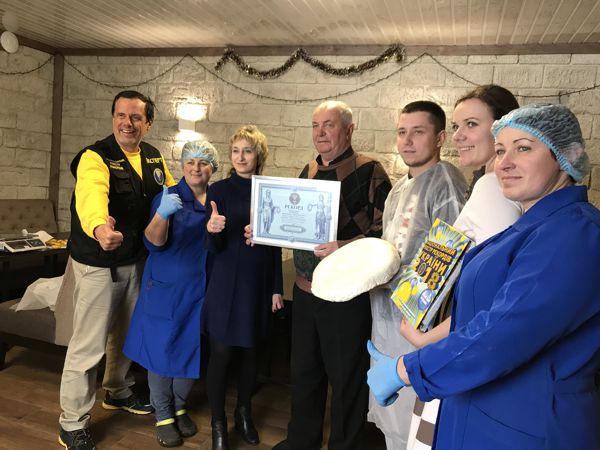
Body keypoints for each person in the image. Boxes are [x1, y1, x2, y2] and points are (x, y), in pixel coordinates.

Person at [367, 103, 600, 450]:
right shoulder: (531, 227)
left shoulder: (573, 233)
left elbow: (505, 332)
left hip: (529, 420)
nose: (504, 163)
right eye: (501, 150)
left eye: (523, 148)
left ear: (568, 155)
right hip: (485, 407)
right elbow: (483, 311)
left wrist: (406, 369)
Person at [402, 85, 523, 450]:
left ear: (503, 127)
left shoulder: (494, 188)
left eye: (471, 124)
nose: (458, 136)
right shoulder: (487, 184)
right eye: (456, 126)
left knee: (435, 436)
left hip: (458, 342)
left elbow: (492, 297)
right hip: (457, 337)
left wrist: (426, 339)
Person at [59, 90, 175, 450]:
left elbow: (174, 192)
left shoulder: (153, 156)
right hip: (99, 265)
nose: (128, 123)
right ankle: (72, 422)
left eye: (136, 117)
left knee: (126, 336)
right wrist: (99, 228)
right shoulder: (95, 157)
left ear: (148, 123)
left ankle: (117, 390)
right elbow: (91, 196)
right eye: (121, 115)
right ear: (113, 119)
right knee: (88, 347)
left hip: (136, 263)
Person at [274, 100, 392, 450]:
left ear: (349, 130)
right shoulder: (308, 169)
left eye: (329, 125)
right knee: (304, 373)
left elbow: (384, 235)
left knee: (346, 379)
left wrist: (344, 246)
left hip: (345, 297)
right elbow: (293, 222)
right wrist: (266, 230)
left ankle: (346, 446)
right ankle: (301, 442)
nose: (320, 133)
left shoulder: (370, 170)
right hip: (305, 291)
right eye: (315, 125)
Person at [368, 101, 468, 449]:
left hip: (420, 324)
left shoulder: (446, 184)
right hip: (386, 315)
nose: (407, 141)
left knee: (417, 419)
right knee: (391, 414)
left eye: (418, 132)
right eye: (402, 132)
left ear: (440, 138)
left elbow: (452, 260)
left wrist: (394, 282)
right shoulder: (399, 188)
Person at [123, 141, 219, 447]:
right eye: (190, 161)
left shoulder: (217, 200)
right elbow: (153, 242)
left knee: (191, 346)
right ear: (182, 165)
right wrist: (162, 215)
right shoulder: (168, 196)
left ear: (213, 168)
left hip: (200, 288)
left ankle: (179, 406)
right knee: (162, 349)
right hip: (166, 286)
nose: (196, 168)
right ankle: (163, 414)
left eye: (203, 163)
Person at [203, 125, 284, 450]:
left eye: (247, 151)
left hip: (257, 281)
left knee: (251, 351)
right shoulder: (218, 190)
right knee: (221, 353)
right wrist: (212, 229)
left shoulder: (271, 190)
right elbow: (212, 247)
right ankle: (218, 423)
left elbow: (276, 244)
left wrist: (276, 287)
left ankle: (244, 412)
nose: (240, 157)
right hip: (224, 281)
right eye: (236, 151)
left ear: (258, 155)